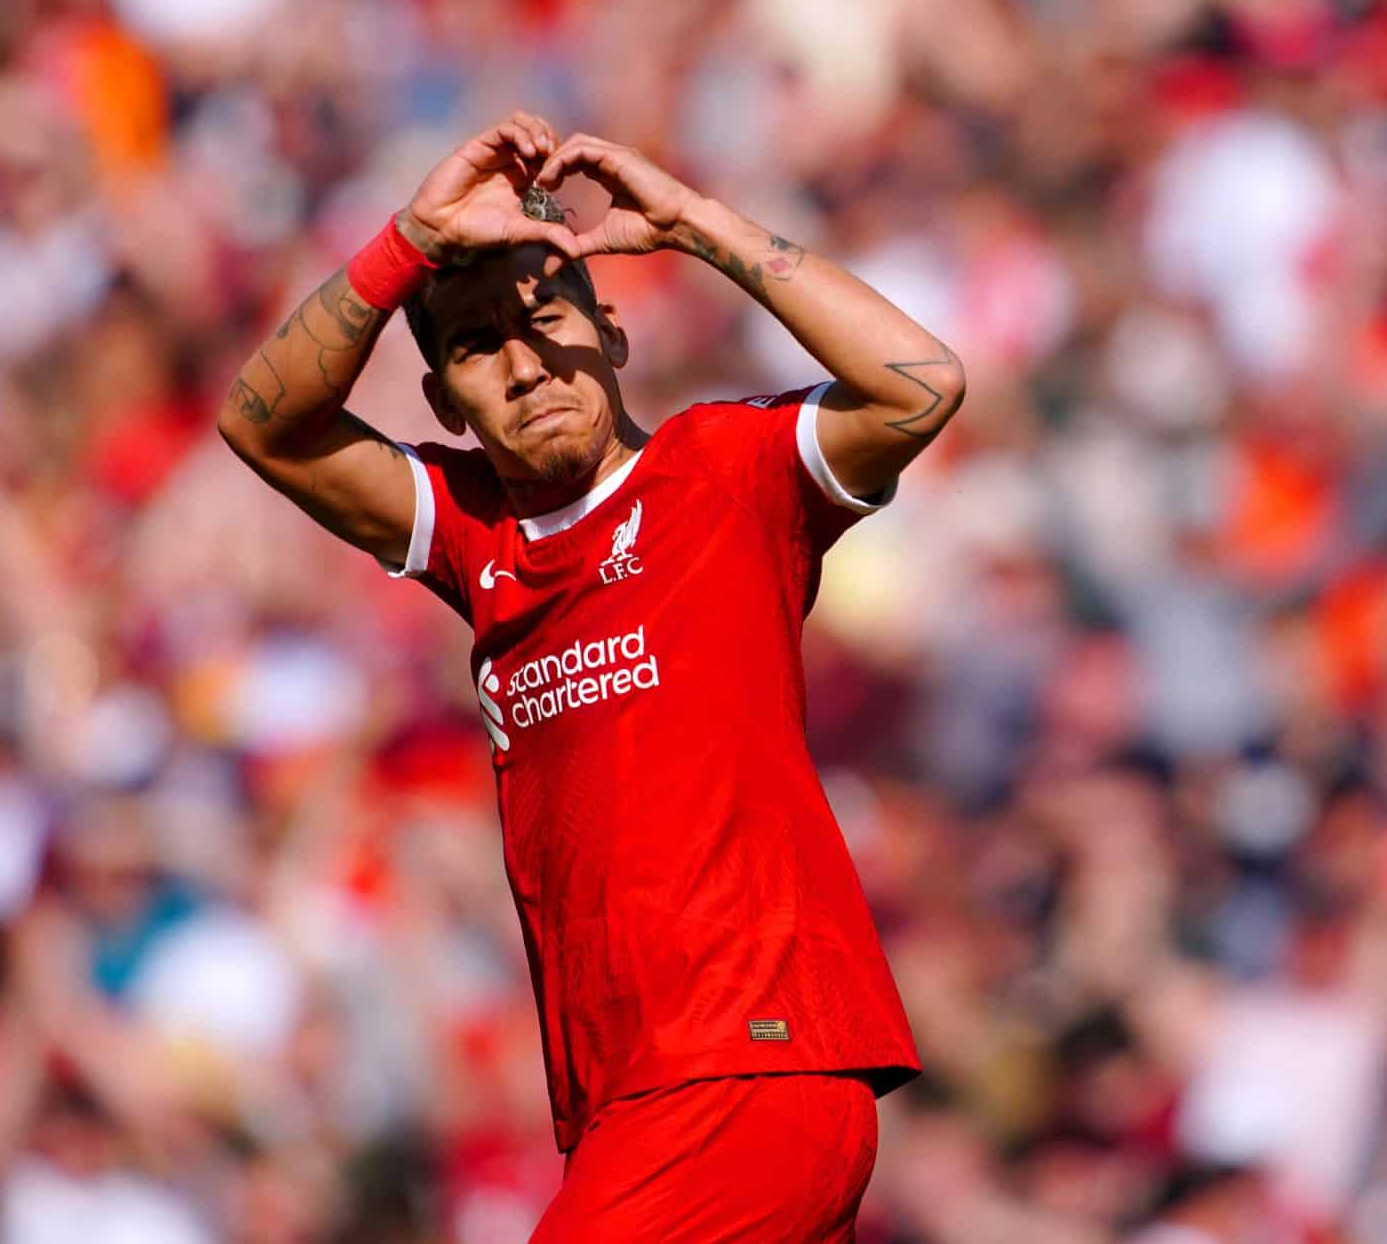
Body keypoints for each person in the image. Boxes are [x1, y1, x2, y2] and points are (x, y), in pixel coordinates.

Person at [217, 112, 963, 1241]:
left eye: (545, 319)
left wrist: (698, 224)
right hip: (622, 1097)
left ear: (610, 334)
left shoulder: (722, 473)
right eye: (477, 346)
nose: (524, 366)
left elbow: (920, 385)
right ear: (445, 400)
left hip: (747, 1066)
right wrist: (408, 239)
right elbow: (262, 425)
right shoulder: (476, 534)